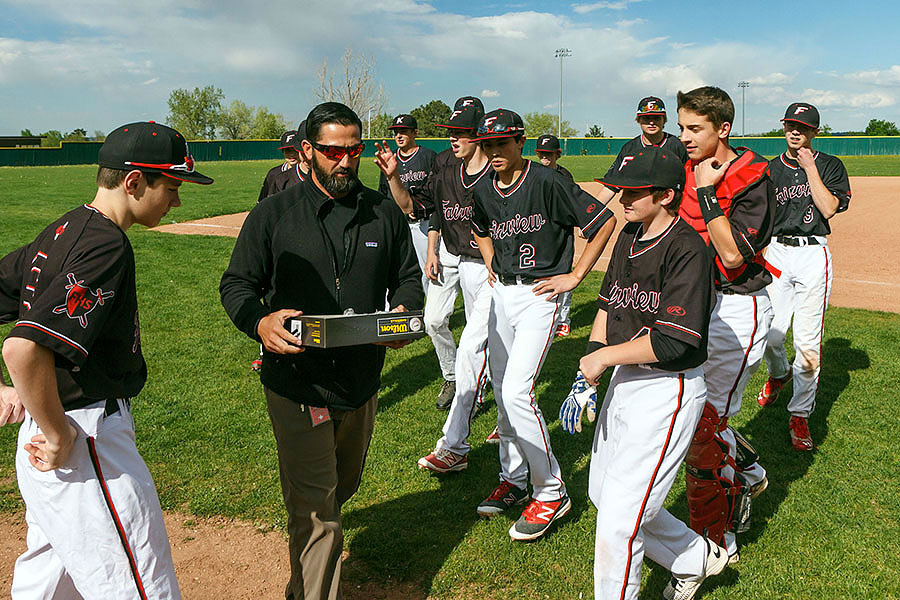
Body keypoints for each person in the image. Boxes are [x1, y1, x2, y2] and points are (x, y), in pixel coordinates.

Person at [0, 120, 213, 598]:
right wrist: (57, 433)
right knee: (141, 586)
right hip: (82, 441)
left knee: (48, 585)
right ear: (134, 181)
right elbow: (21, 347)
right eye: (172, 186)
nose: (177, 200)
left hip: (49, 439)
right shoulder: (105, 244)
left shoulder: (63, 229)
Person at [220, 101, 422, 600]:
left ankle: (301, 582)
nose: (346, 161)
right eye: (334, 151)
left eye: (354, 150)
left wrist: (403, 316)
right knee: (318, 511)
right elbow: (237, 285)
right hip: (297, 383)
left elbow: (409, 280)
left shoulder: (383, 212)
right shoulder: (273, 215)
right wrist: (259, 321)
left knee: (339, 487)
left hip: (360, 381)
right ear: (308, 151)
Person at [562, 145, 726, 600]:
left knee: (620, 522)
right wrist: (588, 371)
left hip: (667, 389)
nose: (623, 198)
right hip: (623, 378)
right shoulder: (629, 236)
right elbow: (608, 307)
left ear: (667, 195)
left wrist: (603, 358)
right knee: (605, 496)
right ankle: (697, 558)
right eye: (620, 189)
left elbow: (676, 340)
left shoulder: (688, 250)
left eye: (634, 191)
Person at [469, 108, 616, 541]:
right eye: (487, 144)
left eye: (502, 142)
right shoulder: (484, 189)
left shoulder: (548, 181)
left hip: (540, 296)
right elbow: (480, 227)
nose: (494, 151)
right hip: (503, 293)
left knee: (517, 391)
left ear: (520, 142)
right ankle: (514, 479)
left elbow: (602, 222)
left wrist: (575, 277)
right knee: (501, 392)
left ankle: (550, 489)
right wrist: (491, 259)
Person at [676, 86, 775, 562]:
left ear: (723, 128)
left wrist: (707, 194)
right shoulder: (685, 165)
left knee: (704, 428)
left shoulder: (755, 177)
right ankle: (749, 470)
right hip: (697, 305)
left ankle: (716, 541)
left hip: (738, 309)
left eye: (695, 128)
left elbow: (734, 254)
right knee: (700, 416)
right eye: (682, 127)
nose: (685, 137)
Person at [377, 103, 494, 470]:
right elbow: (422, 210)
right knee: (433, 320)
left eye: (460, 132)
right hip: (447, 253)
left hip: (482, 264)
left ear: (480, 134)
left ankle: (470, 411)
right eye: (450, 132)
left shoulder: (497, 168)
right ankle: (452, 378)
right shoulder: (444, 164)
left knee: (478, 341)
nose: (453, 139)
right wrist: (431, 250)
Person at [757, 102, 851, 451]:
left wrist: (810, 168)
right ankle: (779, 374)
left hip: (813, 254)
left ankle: (800, 415)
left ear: (814, 132)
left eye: (803, 127)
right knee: (770, 334)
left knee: (807, 345)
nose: (795, 131)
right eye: (790, 126)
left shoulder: (830, 166)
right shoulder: (770, 170)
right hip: (778, 253)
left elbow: (828, 209)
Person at [592, 96, 689, 208]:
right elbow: (611, 186)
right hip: (641, 208)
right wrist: (591, 214)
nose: (651, 122)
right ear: (639, 120)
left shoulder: (677, 146)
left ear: (664, 120)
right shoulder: (629, 149)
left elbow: (690, 180)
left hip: (671, 206)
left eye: (656, 118)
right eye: (646, 118)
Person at [535, 133, 576, 337]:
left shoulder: (565, 176)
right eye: (541, 154)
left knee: (564, 273)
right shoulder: (532, 175)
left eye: (548, 154)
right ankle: (543, 316)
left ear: (557, 155)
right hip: (539, 232)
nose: (545, 158)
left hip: (561, 232)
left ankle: (563, 319)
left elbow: (573, 205)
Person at [257, 124, 310, 203]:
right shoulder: (274, 174)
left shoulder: (311, 173)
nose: (291, 154)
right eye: (288, 150)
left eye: (294, 150)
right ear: (283, 152)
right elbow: (263, 202)